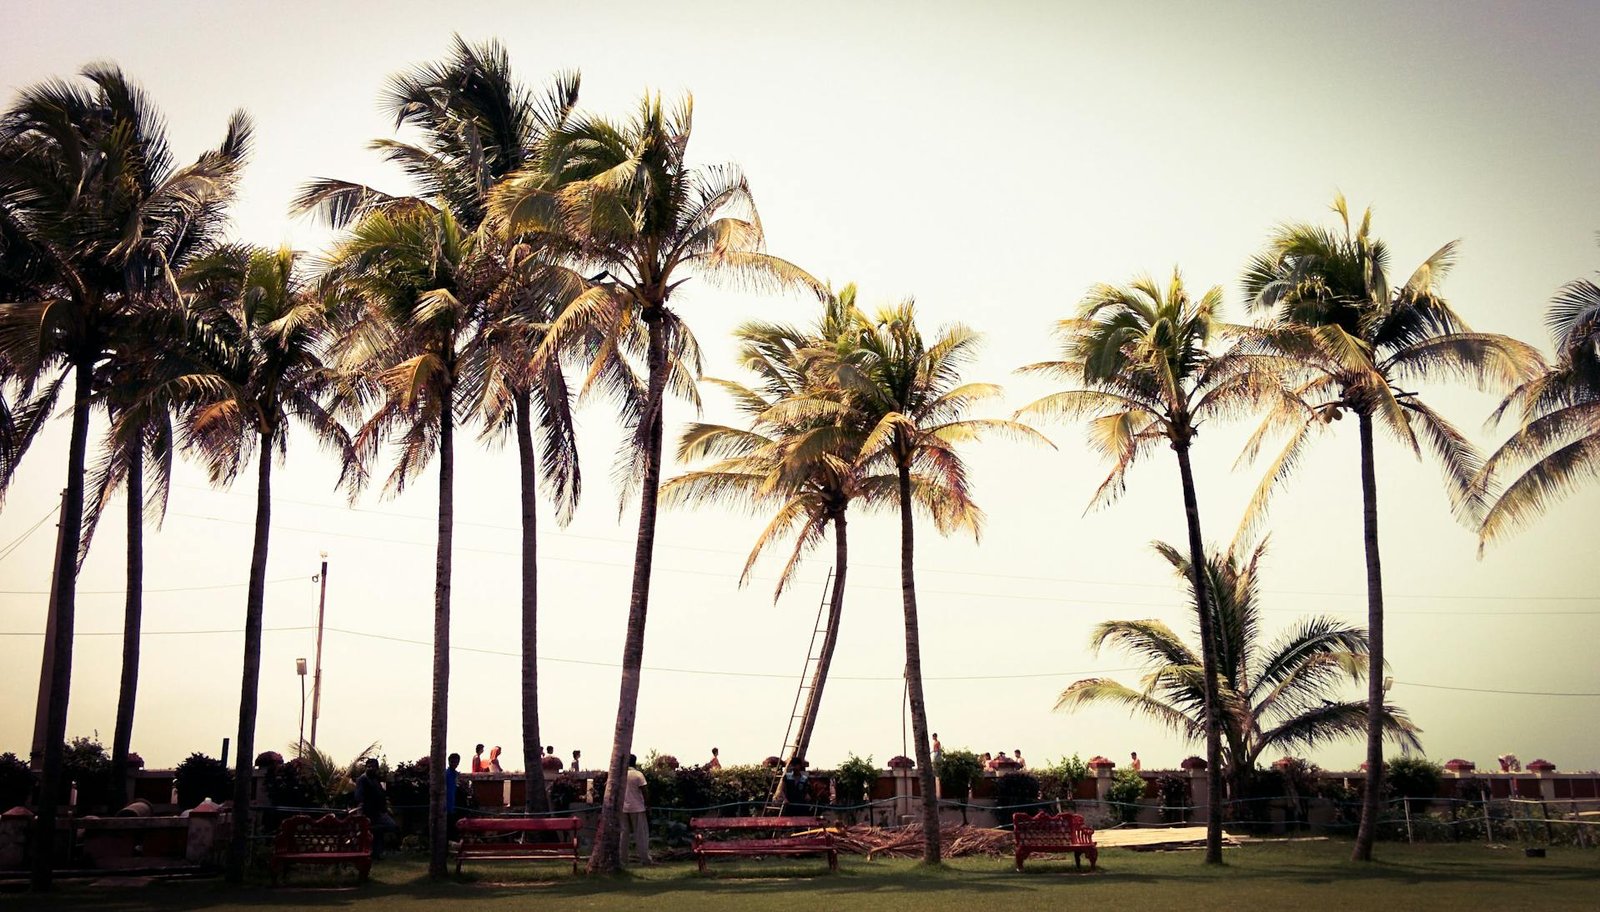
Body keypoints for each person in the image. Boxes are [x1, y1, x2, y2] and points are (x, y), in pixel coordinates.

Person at [353, 758, 396, 859]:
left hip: (378, 812)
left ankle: (377, 852)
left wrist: (386, 807)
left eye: (373, 767)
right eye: (369, 767)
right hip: (369, 812)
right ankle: (374, 851)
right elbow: (359, 797)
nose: (371, 769)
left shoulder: (375, 779)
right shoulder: (362, 779)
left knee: (389, 827)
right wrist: (361, 812)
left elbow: (381, 794)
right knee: (382, 828)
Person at [621, 754, 652, 866]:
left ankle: (623, 859)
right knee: (641, 835)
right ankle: (645, 859)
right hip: (638, 807)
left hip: (624, 808)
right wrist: (648, 806)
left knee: (624, 835)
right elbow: (645, 791)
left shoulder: (621, 775)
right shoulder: (638, 775)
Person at [445, 752, 462, 839]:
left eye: (456, 762)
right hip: (446, 806)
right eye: (452, 762)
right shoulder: (446, 774)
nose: (454, 764)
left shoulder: (455, 774)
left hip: (453, 805)